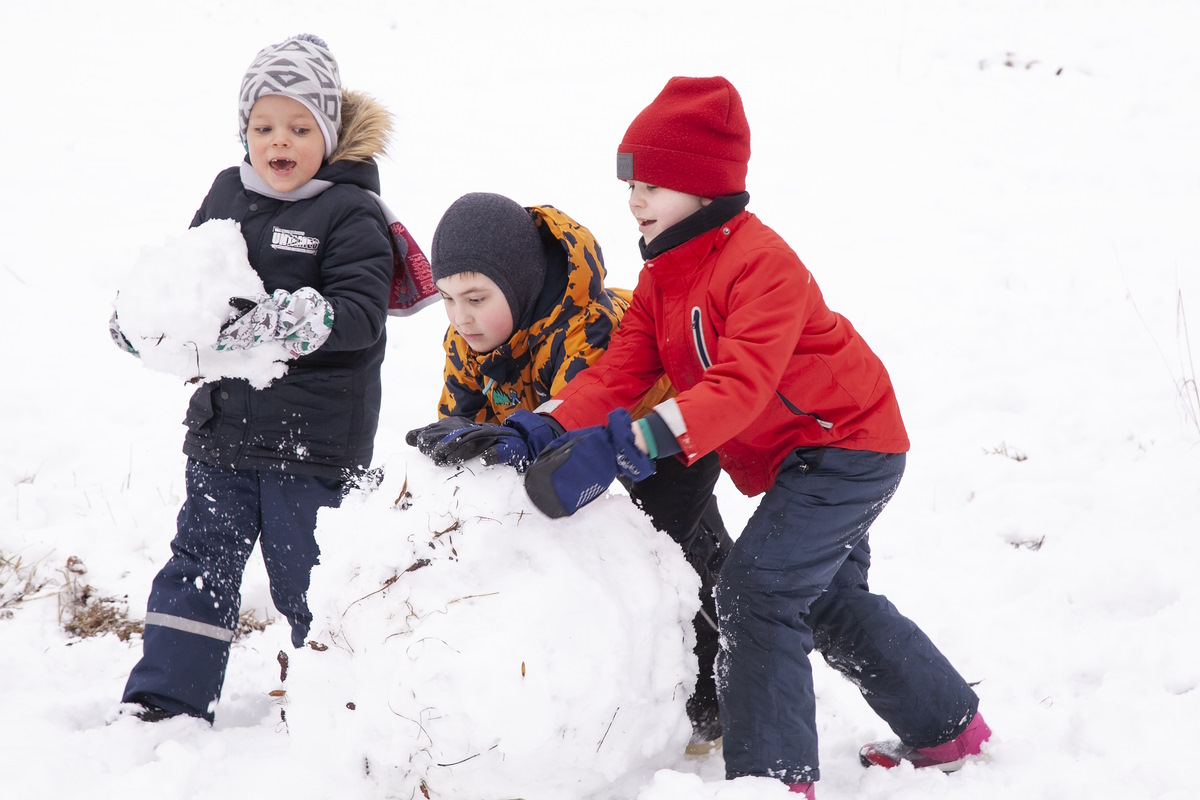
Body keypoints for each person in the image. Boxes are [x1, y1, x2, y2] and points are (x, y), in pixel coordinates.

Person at [514, 77, 991, 797]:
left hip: (849, 445)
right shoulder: (664, 279)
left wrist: (627, 445)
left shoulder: (762, 264)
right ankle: (947, 728)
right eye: (630, 185)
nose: (634, 201)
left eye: (651, 184)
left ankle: (772, 780)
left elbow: (738, 389)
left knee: (756, 590)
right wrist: (542, 427)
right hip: (797, 458)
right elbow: (617, 372)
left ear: (704, 189)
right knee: (824, 600)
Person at [111, 34, 437, 723]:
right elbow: (186, 284)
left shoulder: (350, 212)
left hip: (312, 445)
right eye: (263, 127)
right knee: (197, 568)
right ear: (244, 131)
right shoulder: (228, 192)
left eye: (298, 127)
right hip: (223, 431)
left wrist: (292, 320)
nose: (277, 141)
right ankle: (166, 700)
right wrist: (147, 320)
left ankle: (338, 707)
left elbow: (360, 315)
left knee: (309, 579)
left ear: (328, 132)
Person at [404, 191, 732, 751]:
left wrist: (515, 442)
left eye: (477, 298)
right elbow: (464, 413)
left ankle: (720, 697)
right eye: (448, 299)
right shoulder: (468, 341)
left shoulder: (588, 328)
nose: (461, 317)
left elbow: (580, 427)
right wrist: (455, 450)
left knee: (678, 563)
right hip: (577, 452)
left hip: (664, 450)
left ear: (521, 282)